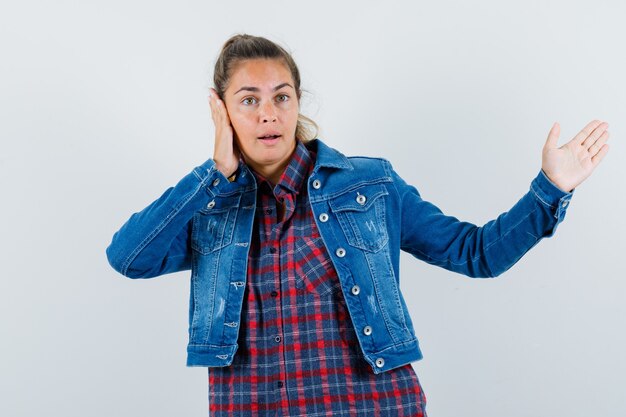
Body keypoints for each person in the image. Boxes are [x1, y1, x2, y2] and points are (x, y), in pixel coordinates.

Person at [105, 34, 610, 417]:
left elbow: (477, 253)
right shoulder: (208, 207)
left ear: (298, 102)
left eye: (281, 97)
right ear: (221, 111)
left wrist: (550, 188)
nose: (267, 115)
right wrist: (213, 175)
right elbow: (127, 257)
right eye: (248, 100)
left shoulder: (370, 186)